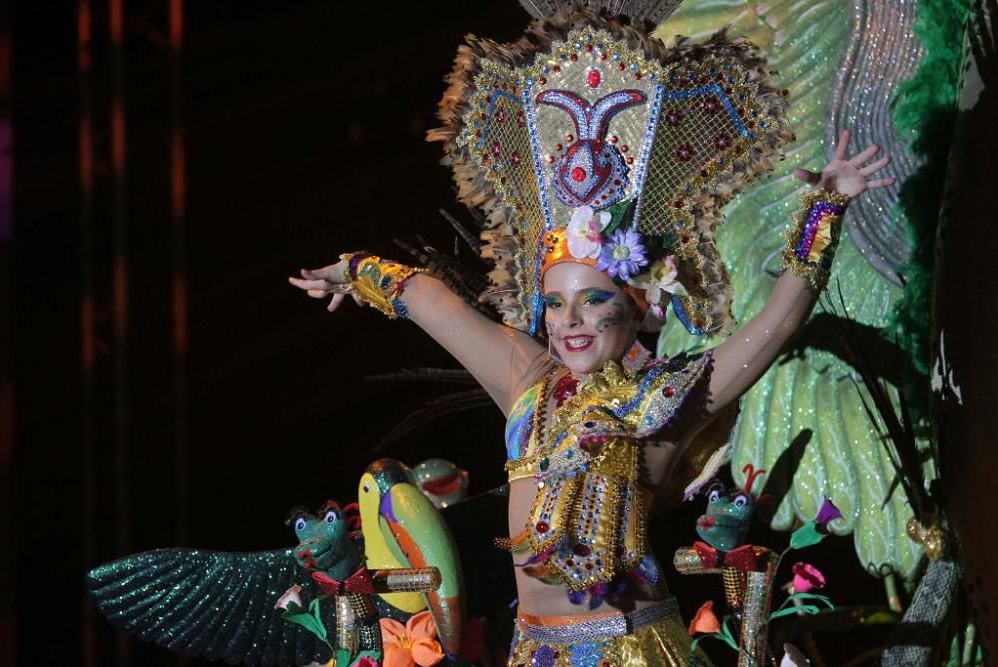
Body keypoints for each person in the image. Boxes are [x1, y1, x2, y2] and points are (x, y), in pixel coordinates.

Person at [288, 8, 894, 664]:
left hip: (630, 651)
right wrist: (357, 272)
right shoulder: (527, 381)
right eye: (555, 303)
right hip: (534, 651)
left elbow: (776, 322)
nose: (569, 320)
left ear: (635, 308)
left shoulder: (665, 400)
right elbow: (433, 302)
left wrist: (825, 211)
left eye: (592, 301)